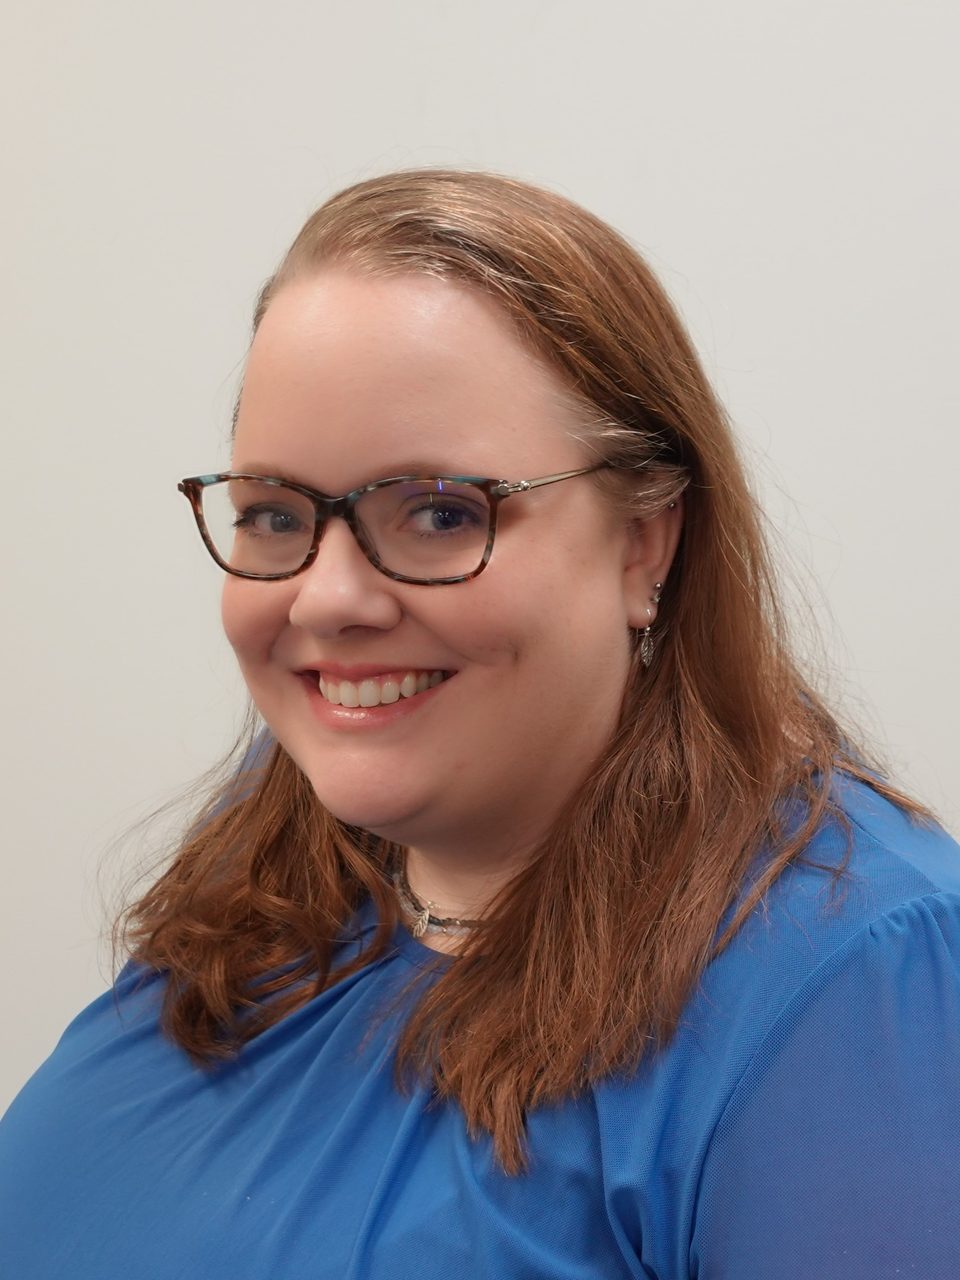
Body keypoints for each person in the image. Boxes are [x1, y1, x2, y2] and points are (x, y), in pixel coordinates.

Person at [1, 169, 958, 1279]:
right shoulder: (281, 852)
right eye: (275, 513)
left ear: (645, 541)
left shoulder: (861, 983)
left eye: (442, 511)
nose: (327, 598)